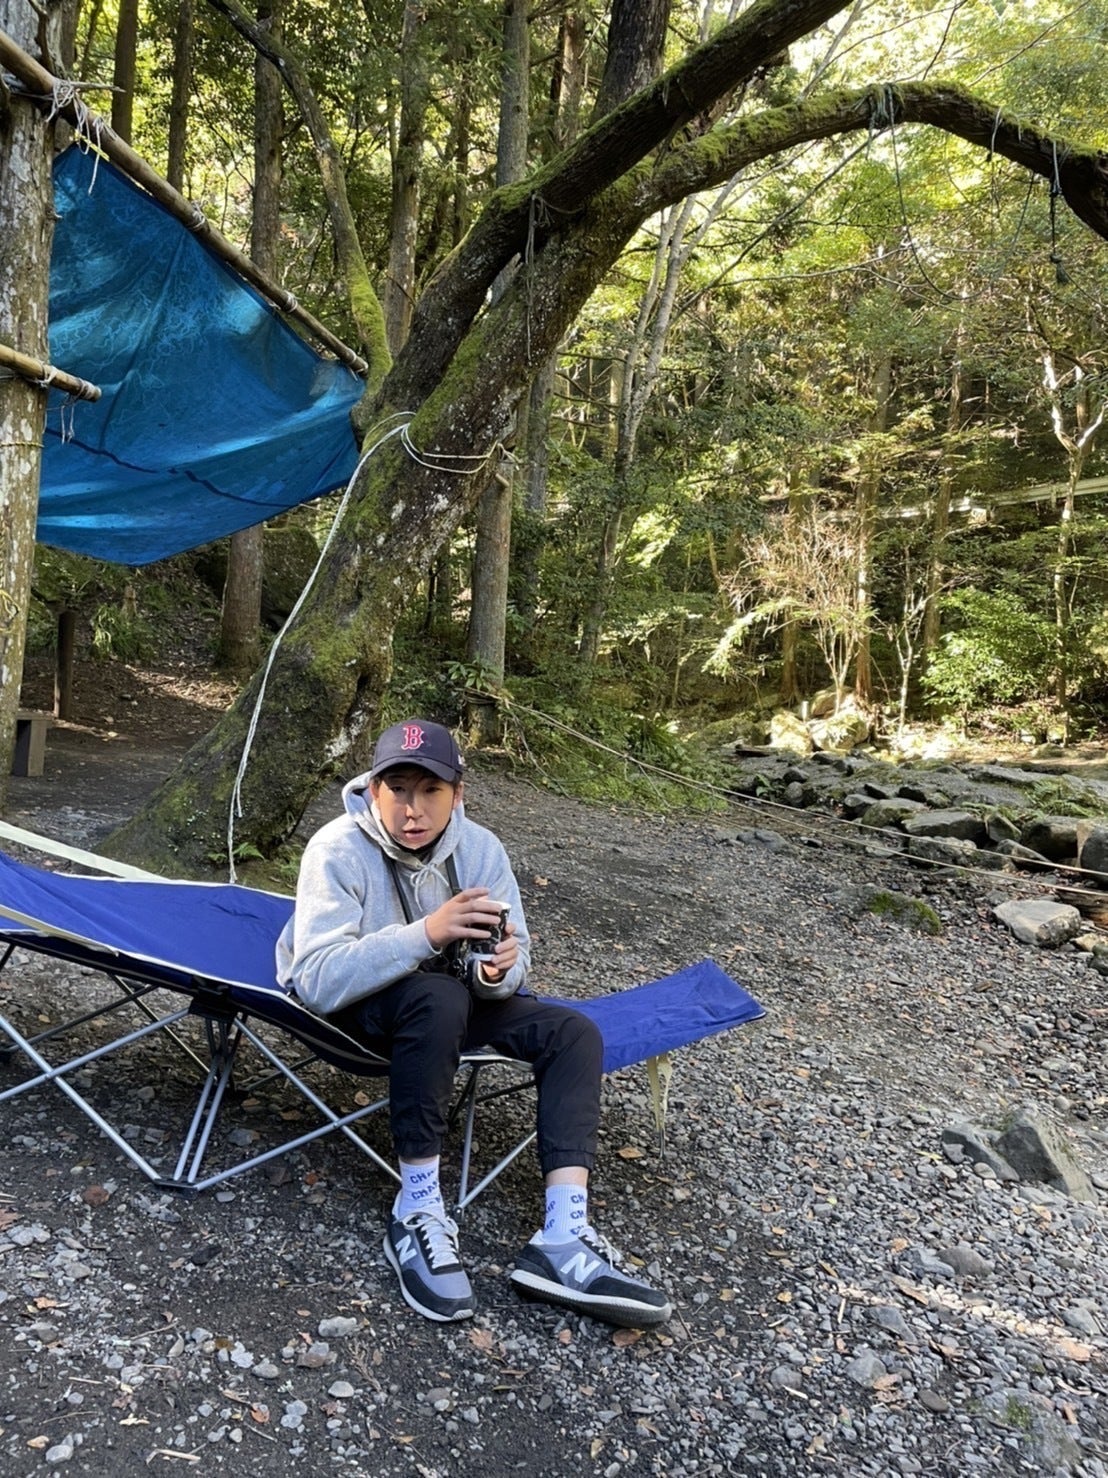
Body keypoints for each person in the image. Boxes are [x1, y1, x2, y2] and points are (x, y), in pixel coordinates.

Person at [276, 718, 672, 1329]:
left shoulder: (481, 850)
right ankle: (417, 1208)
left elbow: (514, 957)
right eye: (397, 789)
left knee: (573, 1032)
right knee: (436, 997)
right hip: (359, 1007)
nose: (413, 808)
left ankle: (562, 1237)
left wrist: (499, 972)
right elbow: (316, 979)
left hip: (454, 1003)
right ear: (373, 790)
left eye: (430, 790)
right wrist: (426, 934)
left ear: (457, 794)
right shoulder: (336, 849)